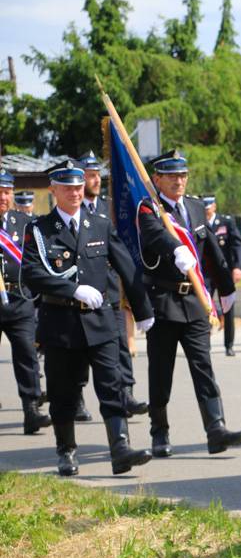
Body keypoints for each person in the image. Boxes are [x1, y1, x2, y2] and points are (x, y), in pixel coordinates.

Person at [22, 159, 154, 476]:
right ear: (53, 189)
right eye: (67, 186)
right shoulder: (39, 230)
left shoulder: (99, 225)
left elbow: (126, 266)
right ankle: (66, 451)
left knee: (113, 386)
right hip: (61, 325)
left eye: (79, 186)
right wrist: (72, 289)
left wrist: (143, 310)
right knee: (63, 391)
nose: (75, 192)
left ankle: (120, 449)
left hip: (101, 323)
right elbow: (31, 273)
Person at [137, 149, 241, 458]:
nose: (178, 181)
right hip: (164, 299)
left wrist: (225, 288)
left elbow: (210, 247)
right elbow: (154, 237)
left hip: (196, 299)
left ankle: (216, 428)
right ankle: (159, 431)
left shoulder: (197, 208)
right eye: (171, 176)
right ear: (157, 179)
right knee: (162, 370)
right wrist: (175, 248)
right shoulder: (149, 208)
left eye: (183, 175)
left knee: (203, 365)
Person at [79, 151, 148, 416]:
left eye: (97, 175)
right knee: (80, 351)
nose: (96, 180)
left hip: (111, 289)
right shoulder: (72, 210)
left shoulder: (110, 209)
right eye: (90, 176)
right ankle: (77, 399)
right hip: (83, 290)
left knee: (120, 343)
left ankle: (126, 394)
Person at [0, 167, 51, 434]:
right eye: (0, 192)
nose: (4, 197)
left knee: (27, 354)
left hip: (19, 298)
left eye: (7, 192)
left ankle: (32, 409)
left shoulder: (23, 222)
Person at [203, 194, 241, 356]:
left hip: (224, 271)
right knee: (204, 307)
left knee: (228, 308)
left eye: (209, 207)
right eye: (204, 208)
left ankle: (229, 345)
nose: (206, 211)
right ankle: (204, 343)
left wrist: (238, 267)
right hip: (206, 273)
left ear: (214, 206)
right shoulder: (199, 221)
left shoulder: (226, 221)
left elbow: (237, 245)